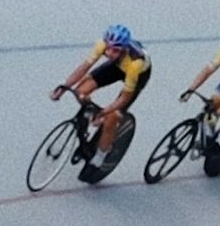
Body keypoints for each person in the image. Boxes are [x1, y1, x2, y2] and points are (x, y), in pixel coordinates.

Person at [54, 24, 149, 162]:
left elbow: (124, 98)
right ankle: (90, 115)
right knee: (80, 91)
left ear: (124, 50)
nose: (109, 53)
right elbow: (83, 68)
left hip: (137, 74)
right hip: (117, 66)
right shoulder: (102, 45)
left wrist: (105, 112)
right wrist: (64, 87)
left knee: (112, 117)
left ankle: (102, 155)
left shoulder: (136, 64)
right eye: (108, 48)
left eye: (115, 50)